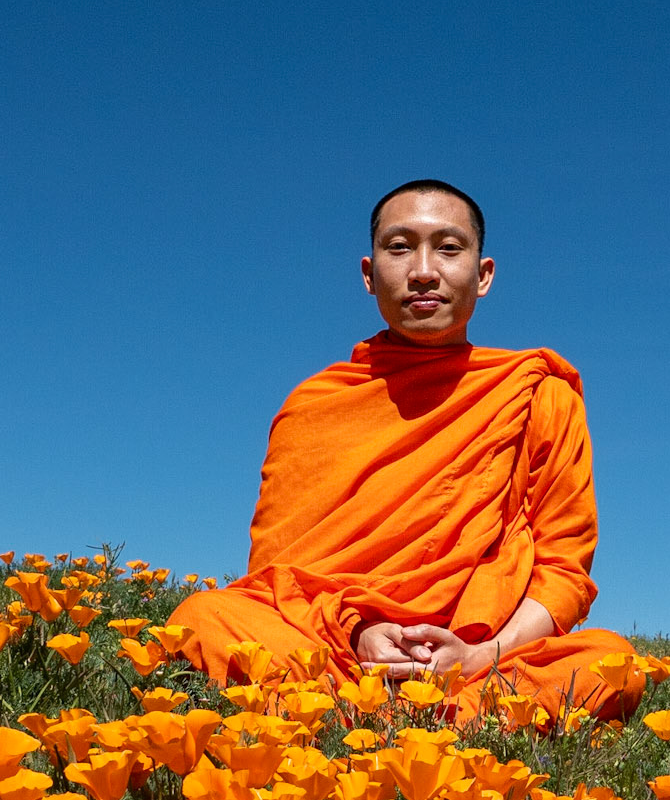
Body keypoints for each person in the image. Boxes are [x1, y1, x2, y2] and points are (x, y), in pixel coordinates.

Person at [173, 180, 644, 724]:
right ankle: (441, 727)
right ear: (370, 275)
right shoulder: (316, 406)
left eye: (448, 248)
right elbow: (276, 579)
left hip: (478, 657)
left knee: (612, 661)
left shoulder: (538, 394)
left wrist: (479, 657)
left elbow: (563, 567)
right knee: (204, 616)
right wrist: (357, 631)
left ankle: (351, 721)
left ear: (483, 275)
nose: (423, 271)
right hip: (337, 648)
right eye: (399, 248)